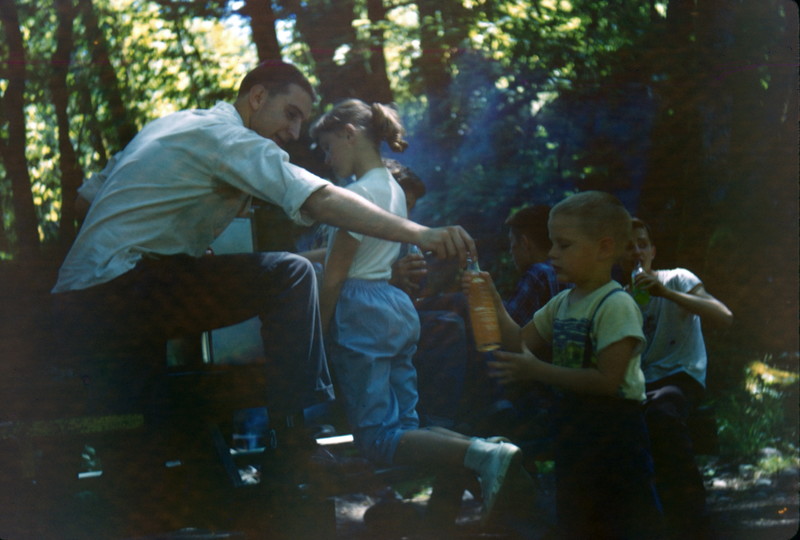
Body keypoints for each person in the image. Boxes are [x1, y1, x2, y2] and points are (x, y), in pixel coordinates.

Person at [51, 61, 475, 477]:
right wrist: (418, 234)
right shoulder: (230, 137)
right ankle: (292, 440)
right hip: (126, 289)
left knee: (137, 442)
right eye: (290, 114)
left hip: (84, 299)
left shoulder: (167, 125)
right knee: (289, 274)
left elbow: (85, 201)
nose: (293, 133)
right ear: (256, 97)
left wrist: (175, 248)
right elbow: (320, 200)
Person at [310, 98, 528, 525]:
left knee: (377, 437)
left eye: (328, 146)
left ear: (349, 135)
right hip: (394, 307)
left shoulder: (352, 197)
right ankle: (486, 451)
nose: (326, 157)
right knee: (406, 423)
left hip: (361, 310)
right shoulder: (392, 189)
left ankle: (485, 453)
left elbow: (334, 276)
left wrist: (314, 335)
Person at [464, 191, 663, 538]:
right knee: (577, 519)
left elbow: (608, 380)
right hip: (573, 429)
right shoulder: (562, 303)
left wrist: (535, 370)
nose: (552, 253)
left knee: (628, 520)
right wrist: (493, 301)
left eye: (564, 245)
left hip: (617, 435)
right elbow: (521, 342)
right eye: (552, 244)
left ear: (603, 248)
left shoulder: (615, 304)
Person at [621, 217, 733, 539]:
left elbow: (723, 316)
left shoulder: (677, 278)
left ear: (653, 251)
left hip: (681, 376)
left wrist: (665, 294)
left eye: (642, 244)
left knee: (661, 412)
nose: (636, 251)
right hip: (640, 384)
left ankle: (694, 524)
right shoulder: (617, 298)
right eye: (628, 246)